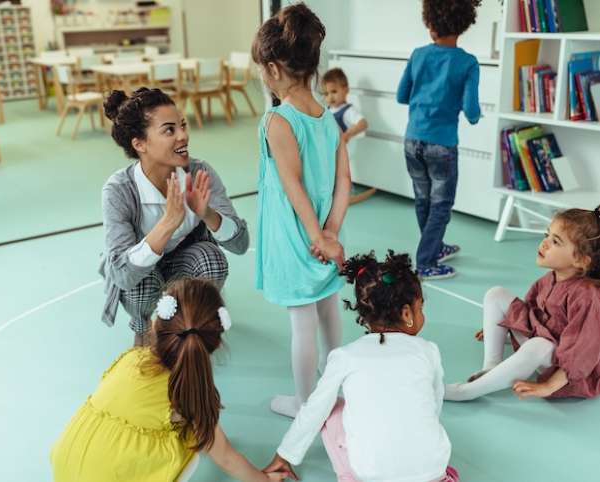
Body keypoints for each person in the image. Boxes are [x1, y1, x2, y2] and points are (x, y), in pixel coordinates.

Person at [52, 278, 287, 482]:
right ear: (214, 343)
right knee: (192, 442)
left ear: (156, 323)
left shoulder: (132, 358)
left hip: (67, 463)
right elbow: (224, 455)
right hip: (110, 473)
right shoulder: (188, 391)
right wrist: (264, 479)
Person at [264, 251, 458, 482]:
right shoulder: (428, 351)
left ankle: (349, 477)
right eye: (420, 308)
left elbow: (314, 410)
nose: (421, 314)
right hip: (431, 471)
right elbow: (434, 404)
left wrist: (285, 454)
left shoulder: (345, 356)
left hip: (371, 473)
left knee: (330, 407)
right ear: (407, 313)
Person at [252, 2, 352, 419]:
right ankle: (337, 389)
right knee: (327, 309)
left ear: (274, 69)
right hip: (323, 238)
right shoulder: (328, 119)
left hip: (298, 239)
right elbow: (343, 180)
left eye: (261, 70)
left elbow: (292, 185)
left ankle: (306, 403)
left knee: (302, 322)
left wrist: (315, 236)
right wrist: (331, 232)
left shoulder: (279, 120)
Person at [99, 87, 249, 344]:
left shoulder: (199, 172)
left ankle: (190, 322)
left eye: (183, 125)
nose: (183, 136)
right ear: (140, 143)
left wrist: (207, 213)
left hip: (184, 262)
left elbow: (240, 244)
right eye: (169, 130)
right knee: (141, 288)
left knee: (212, 260)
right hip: (140, 278)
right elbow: (122, 275)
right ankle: (144, 327)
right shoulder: (118, 190)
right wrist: (169, 222)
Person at [445, 206, 600, 401]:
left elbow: (581, 353)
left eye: (555, 241)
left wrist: (548, 386)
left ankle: (466, 392)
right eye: (547, 235)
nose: (544, 244)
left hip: (562, 368)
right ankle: (491, 366)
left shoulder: (587, 296)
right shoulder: (549, 278)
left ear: (581, 261)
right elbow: (528, 313)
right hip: (540, 340)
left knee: (539, 345)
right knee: (495, 294)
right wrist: (504, 327)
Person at [396, 0, 482, 280]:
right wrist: (472, 114)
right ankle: (426, 262)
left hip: (412, 140)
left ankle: (434, 246)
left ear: (429, 22)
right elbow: (471, 111)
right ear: (464, 24)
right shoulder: (467, 63)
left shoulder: (418, 55)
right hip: (441, 145)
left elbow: (401, 96)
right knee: (441, 204)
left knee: (423, 199)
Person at [321, 67, 371, 205]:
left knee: (340, 171)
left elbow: (363, 123)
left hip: (344, 149)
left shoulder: (348, 111)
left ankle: (347, 191)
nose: (329, 97)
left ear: (346, 90)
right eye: (326, 93)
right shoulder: (327, 110)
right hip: (330, 149)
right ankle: (331, 192)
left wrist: (348, 134)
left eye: (334, 92)